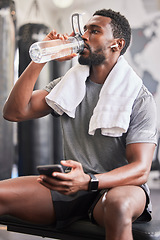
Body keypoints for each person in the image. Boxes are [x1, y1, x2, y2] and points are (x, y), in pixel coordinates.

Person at [2, 8, 157, 240]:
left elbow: (140, 169)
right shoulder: (68, 85)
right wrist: (41, 56)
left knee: (119, 206)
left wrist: (90, 181)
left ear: (117, 44)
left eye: (94, 31)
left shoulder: (139, 98)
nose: (83, 36)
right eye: (84, 29)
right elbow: (14, 112)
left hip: (118, 187)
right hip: (71, 185)